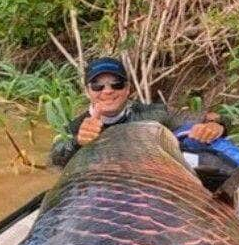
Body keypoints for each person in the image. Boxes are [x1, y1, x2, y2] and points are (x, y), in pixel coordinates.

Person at [50, 57, 226, 168]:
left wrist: (216, 126)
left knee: (209, 159)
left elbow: (213, 117)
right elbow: (55, 158)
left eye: (116, 84)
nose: (108, 91)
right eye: (98, 85)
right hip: (101, 188)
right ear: (88, 91)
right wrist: (78, 142)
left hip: (148, 182)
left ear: (128, 89)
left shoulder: (154, 114)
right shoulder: (75, 127)